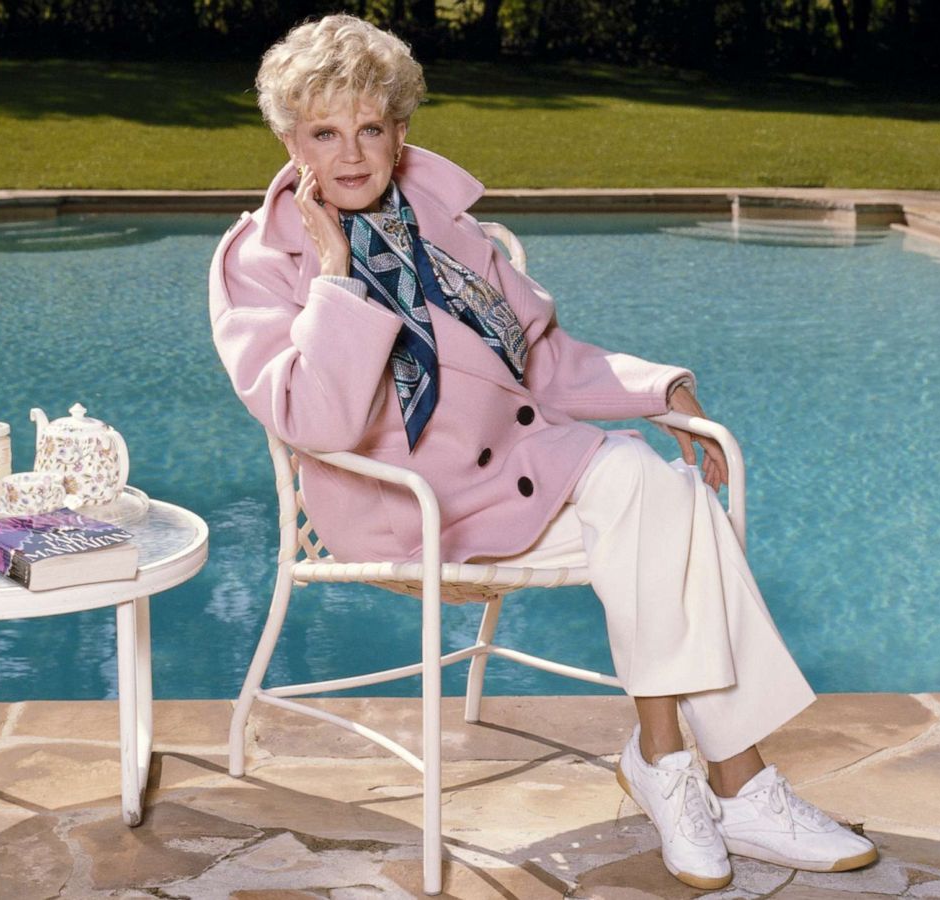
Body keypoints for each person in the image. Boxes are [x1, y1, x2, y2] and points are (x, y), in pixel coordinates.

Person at [208, 14, 878, 890]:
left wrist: (658, 390)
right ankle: (708, 778)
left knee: (658, 486)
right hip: (408, 512)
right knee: (668, 514)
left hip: (523, 481)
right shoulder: (258, 263)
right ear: (289, 141)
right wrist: (333, 274)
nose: (352, 154)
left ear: (401, 131)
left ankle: (692, 771)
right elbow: (318, 421)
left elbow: (544, 358)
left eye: (371, 128)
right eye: (325, 133)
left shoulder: (447, 228)